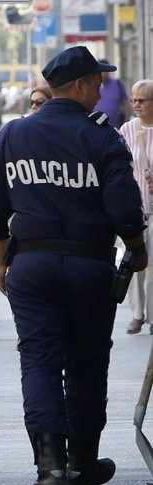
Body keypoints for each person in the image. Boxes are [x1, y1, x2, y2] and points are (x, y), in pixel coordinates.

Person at [0, 47, 147, 485]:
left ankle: (49, 469)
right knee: (87, 365)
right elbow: (126, 210)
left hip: (30, 267)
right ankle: (82, 464)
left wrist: (2, 261)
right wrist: (137, 250)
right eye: (96, 82)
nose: (101, 90)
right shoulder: (103, 139)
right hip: (90, 267)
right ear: (78, 86)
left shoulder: (10, 137)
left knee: (38, 362)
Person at [118, 80, 153, 334]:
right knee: (134, 260)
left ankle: (151, 316)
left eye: (142, 100)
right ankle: (137, 314)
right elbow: (119, 168)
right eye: (134, 100)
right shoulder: (127, 130)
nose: (136, 104)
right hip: (134, 208)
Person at [95, 59, 129, 129]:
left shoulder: (117, 83)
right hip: (96, 127)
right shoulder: (92, 85)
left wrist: (127, 120)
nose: (103, 74)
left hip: (116, 127)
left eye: (105, 71)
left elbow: (126, 102)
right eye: (101, 71)